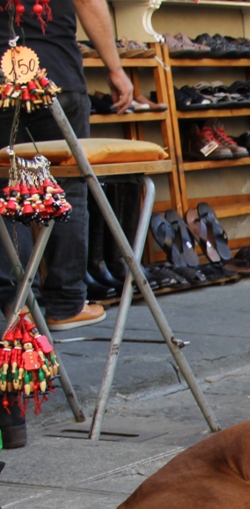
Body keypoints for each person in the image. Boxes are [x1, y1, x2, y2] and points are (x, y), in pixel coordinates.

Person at [0, 0, 133, 447]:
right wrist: (115, 68)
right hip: (52, 70)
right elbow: (90, 2)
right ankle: (63, 300)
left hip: (6, 72)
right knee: (67, 188)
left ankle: (24, 304)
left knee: (8, 188)